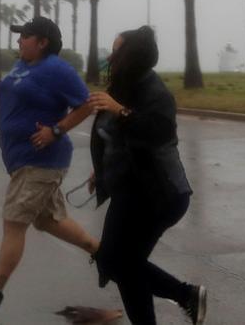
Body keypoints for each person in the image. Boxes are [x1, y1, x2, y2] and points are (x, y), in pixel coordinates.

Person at [0, 17, 104, 315]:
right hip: (22, 160)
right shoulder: (22, 65)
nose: (19, 40)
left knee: (14, 220)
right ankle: (103, 254)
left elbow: (87, 104)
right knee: (48, 220)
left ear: (42, 41)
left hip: (42, 161)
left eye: (24, 36)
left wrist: (56, 130)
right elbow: (23, 98)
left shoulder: (57, 69)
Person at [87, 26, 206, 325]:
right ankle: (185, 296)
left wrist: (121, 111)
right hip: (131, 191)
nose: (110, 57)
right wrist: (100, 168)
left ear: (132, 56)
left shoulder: (155, 93)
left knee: (121, 263)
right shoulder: (122, 87)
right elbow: (112, 137)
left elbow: (157, 133)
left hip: (158, 195)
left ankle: (185, 294)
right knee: (120, 264)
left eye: (116, 51)